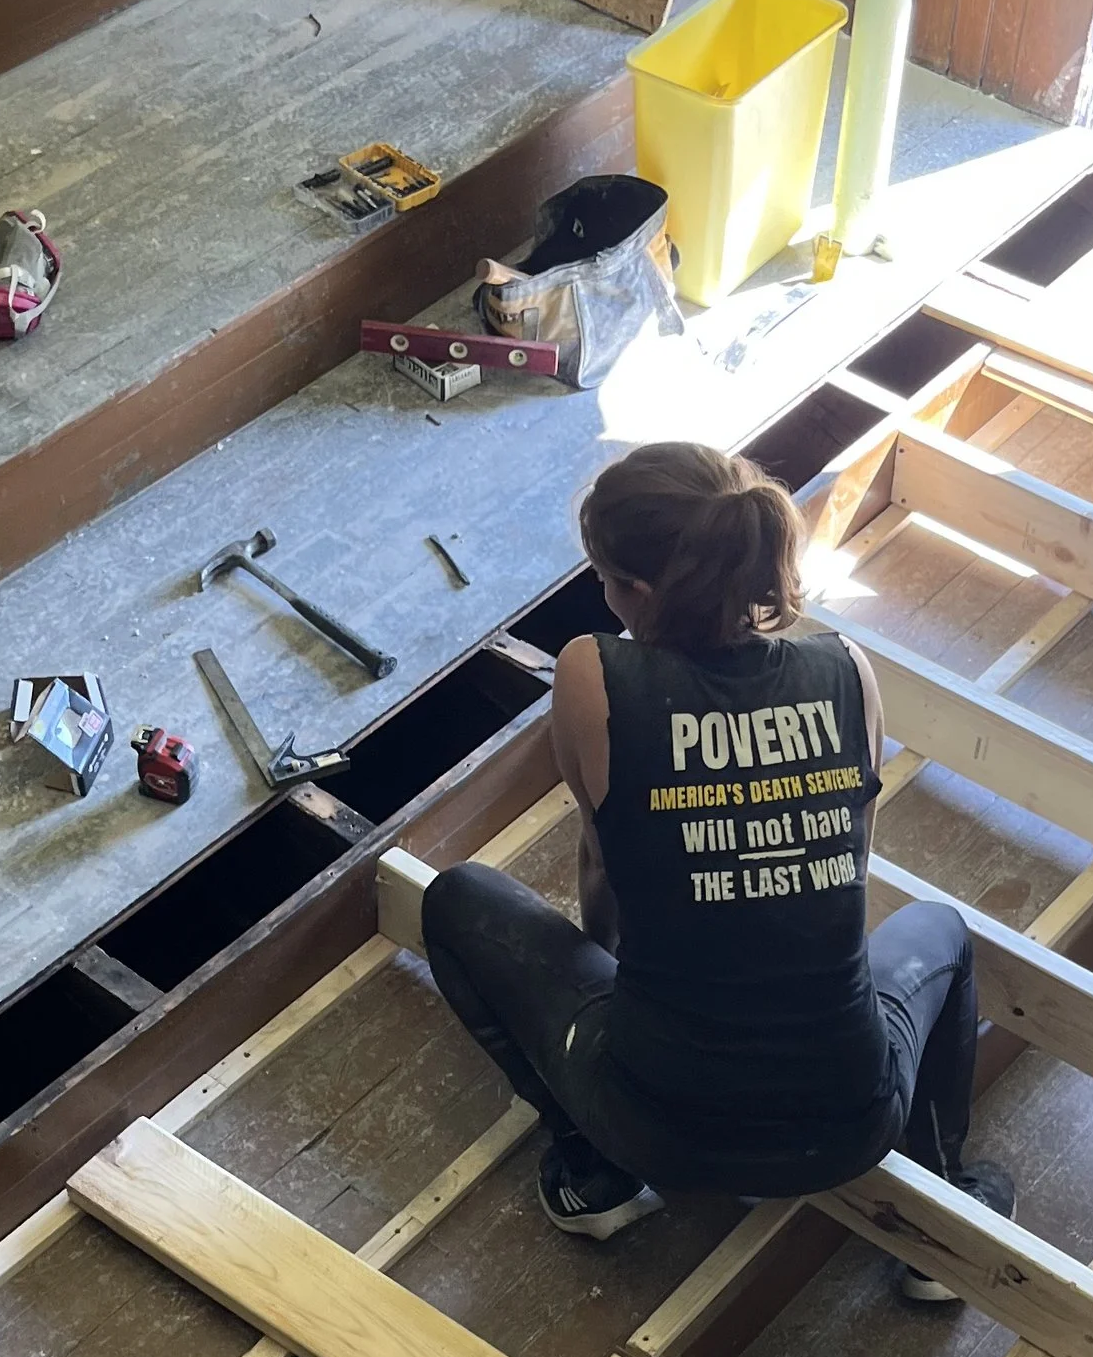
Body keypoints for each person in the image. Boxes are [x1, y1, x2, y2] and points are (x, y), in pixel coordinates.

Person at [419, 439, 1014, 1300]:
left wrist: (622, 983)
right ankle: (939, 1230)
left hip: (658, 1124)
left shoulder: (594, 673)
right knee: (942, 935)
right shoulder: (848, 669)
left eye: (603, 575)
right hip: (854, 1114)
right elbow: (851, 864)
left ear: (637, 591)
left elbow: (603, 869)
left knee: (458, 900)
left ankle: (600, 1178)